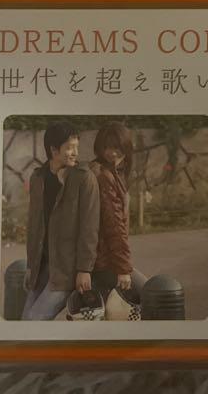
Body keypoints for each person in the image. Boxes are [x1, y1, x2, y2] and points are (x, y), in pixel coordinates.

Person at [22, 121, 100, 320]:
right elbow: (34, 226)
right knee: (24, 320)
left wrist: (84, 270)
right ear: (54, 150)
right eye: (70, 147)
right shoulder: (38, 178)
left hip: (67, 270)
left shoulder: (84, 178)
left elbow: (89, 228)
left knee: (34, 320)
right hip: (41, 266)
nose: (75, 153)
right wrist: (31, 266)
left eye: (76, 147)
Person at [89, 121, 147, 302]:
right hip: (106, 262)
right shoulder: (103, 176)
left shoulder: (113, 171)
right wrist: (123, 269)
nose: (112, 153)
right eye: (107, 147)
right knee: (151, 294)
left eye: (117, 147)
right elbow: (114, 225)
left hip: (105, 259)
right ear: (99, 147)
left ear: (126, 147)